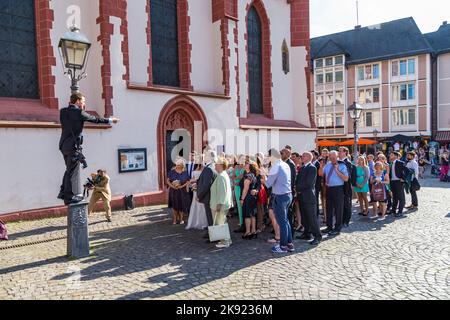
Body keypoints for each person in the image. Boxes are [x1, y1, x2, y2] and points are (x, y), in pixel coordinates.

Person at [58, 92, 119, 205]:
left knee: (68, 170)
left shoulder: (63, 112)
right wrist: (110, 120)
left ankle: (64, 193)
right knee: (72, 172)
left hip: (63, 145)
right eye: (83, 101)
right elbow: (95, 119)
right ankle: (69, 197)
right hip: (73, 147)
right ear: (78, 101)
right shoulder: (79, 112)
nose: (84, 104)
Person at [266, 148, 294, 254]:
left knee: (282, 222)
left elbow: (268, 183)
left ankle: (283, 246)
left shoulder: (276, 166)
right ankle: (289, 244)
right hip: (287, 195)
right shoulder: (285, 164)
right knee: (285, 221)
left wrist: (264, 177)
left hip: (280, 196)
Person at [320, 150, 349, 236]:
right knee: (328, 209)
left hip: (338, 189)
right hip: (329, 189)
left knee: (338, 209)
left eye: (333, 157)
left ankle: (337, 228)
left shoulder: (342, 165)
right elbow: (321, 174)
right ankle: (329, 226)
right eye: (330, 157)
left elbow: (346, 178)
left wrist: (337, 170)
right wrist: (321, 167)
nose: (332, 159)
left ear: (337, 157)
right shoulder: (328, 165)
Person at [296, 152, 321, 246]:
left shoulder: (312, 168)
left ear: (309, 158)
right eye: (302, 156)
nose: (301, 157)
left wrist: (297, 188)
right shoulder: (302, 167)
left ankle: (317, 236)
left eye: (304, 156)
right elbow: (298, 180)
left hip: (309, 196)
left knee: (312, 218)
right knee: (305, 217)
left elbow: (309, 183)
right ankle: (307, 233)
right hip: (301, 195)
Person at [209, 157, 234, 248]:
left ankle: (225, 241)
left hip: (220, 204)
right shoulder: (223, 174)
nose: (215, 165)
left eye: (217, 164)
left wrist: (219, 204)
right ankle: (225, 240)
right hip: (222, 203)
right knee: (221, 223)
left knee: (220, 223)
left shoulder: (221, 176)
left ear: (221, 165)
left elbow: (222, 192)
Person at [197, 150, 218, 240]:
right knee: (211, 217)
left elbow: (206, 185)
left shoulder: (209, 168)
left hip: (208, 196)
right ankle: (210, 233)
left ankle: (213, 236)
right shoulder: (212, 166)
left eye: (205, 155)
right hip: (211, 196)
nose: (204, 156)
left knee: (210, 217)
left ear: (210, 156)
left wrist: (199, 195)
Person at [240, 161, 261, 240]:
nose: (245, 165)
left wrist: (242, 199)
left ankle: (248, 232)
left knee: (247, 215)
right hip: (253, 197)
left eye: (246, 164)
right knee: (252, 214)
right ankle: (253, 231)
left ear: (250, 166)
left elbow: (245, 189)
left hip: (248, 197)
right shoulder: (253, 175)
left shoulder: (248, 176)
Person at [167, 159, 191, 225]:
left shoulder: (185, 172)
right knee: (175, 205)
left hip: (182, 191)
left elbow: (188, 182)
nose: (177, 166)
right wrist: (172, 186)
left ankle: (181, 219)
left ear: (182, 165)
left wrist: (181, 186)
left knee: (181, 205)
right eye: (176, 164)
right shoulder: (172, 171)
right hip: (173, 191)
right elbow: (168, 181)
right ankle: (174, 219)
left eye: (178, 165)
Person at [186, 163, 208, 230]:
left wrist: (196, 183)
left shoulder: (205, 168)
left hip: (201, 189)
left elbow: (204, 179)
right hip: (195, 190)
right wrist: (189, 184)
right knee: (195, 204)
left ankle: (203, 222)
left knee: (201, 205)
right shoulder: (194, 168)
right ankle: (195, 221)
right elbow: (192, 179)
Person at [281, 148, 297, 236]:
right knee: (286, 213)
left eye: (282, 153)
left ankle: (290, 232)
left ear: (287, 154)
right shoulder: (284, 163)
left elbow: (292, 179)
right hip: (284, 191)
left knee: (289, 213)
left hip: (287, 192)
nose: (280, 154)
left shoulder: (290, 164)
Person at [338, 147, 354, 227]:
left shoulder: (347, 162)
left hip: (346, 187)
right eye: (339, 151)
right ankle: (341, 220)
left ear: (345, 153)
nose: (339, 153)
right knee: (341, 205)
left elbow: (347, 176)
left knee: (347, 205)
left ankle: (346, 221)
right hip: (340, 186)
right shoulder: (339, 162)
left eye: (340, 151)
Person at [389, 151, 407, 218]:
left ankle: (400, 212)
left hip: (399, 182)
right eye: (390, 155)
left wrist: (403, 178)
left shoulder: (400, 163)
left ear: (396, 156)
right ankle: (393, 210)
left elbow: (407, 171)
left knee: (401, 197)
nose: (390, 156)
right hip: (392, 182)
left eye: (391, 155)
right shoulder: (390, 163)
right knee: (394, 197)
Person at [232, 155, 245, 232]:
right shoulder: (236, 167)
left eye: (243, 159)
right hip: (237, 188)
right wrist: (236, 179)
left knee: (243, 204)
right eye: (240, 159)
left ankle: (244, 222)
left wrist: (236, 179)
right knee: (239, 205)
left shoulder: (245, 168)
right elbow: (233, 176)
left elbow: (242, 176)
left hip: (242, 187)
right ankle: (241, 222)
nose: (241, 160)